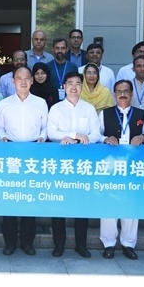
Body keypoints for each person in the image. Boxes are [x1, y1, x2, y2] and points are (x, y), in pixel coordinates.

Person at [47, 72, 100, 258]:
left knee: (81, 204)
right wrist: (74, 134)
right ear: (64, 86)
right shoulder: (56, 109)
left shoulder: (89, 109)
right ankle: (59, 245)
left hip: (83, 164)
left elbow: (96, 134)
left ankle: (81, 245)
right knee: (59, 204)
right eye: (70, 83)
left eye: (78, 83)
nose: (74, 87)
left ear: (82, 86)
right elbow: (51, 133)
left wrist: (77, 140)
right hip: (60, 163)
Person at [98, 80, 144, 260]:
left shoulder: (141, 114)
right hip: (110, 165)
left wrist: (143, 137)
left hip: (133, 166)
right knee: (109, 203)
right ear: (114, 94)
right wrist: (105, 139)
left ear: (131, 94)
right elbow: (96, 134)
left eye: (126, 91)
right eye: (119, 91)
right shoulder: (105, 113)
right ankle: (109, 243)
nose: (122, 94)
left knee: (131, 203)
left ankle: (128, 243)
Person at [0, 66, 47, 256]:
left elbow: (45, 127)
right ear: (13, 81)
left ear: (32, 81)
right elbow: (0, 128)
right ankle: (9, 242)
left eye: (27, 78)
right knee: (9, 199)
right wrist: (3, 139)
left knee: (29, 200)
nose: (23, 82)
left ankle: (27, 242)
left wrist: (42, 137)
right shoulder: (4, 103)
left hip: (33, 154)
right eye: (19, 78)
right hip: (11, 155)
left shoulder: (41, 103)